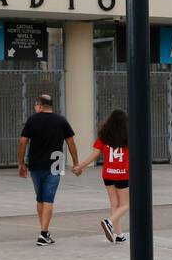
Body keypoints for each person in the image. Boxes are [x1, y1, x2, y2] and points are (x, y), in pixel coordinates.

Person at [18, 93, 79, 246]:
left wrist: (21, 163)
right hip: (56, 161)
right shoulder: (61, 120)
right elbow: (71, 142)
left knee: (40, 198)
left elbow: (23, 142)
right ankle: (44, 233)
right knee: (48, 197)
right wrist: (76, 163)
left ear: (39, 105)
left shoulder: (32, 120)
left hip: (35, 162)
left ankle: (44, 231)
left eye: (35, 105)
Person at [73, 109, 130, 243]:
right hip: (122, 174)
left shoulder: (104, 135)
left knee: (114, 204)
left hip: (108, 174)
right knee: (126, 204)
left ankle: (119, 235)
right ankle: (109, 222)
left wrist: (80, 166)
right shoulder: (129, 136)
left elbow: (95, 154)